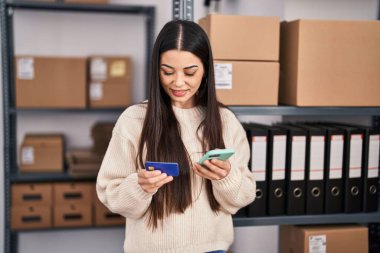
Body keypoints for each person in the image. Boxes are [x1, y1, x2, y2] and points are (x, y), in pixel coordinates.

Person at [96, 19, 256, 253]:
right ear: (156, 70)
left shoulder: (225, 121)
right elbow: (110, 194)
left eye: (190, 72)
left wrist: (226, 177)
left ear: (205, 71)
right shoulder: (133, 120)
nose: (178, 82)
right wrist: (140, 186)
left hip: (212, 249)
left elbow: (243, 198)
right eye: (167, 72)